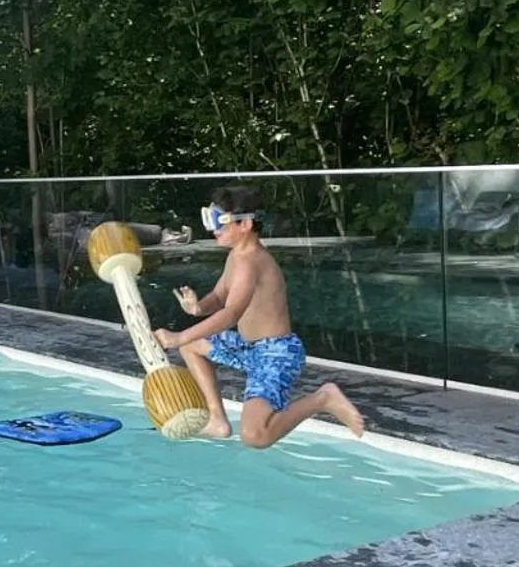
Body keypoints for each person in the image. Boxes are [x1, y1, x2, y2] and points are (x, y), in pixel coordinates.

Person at [155, 185, 365, 446]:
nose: (213, 229)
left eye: (219, 220)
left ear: (245, 224)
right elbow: (220, 297)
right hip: (247, 347)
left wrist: (178, 336)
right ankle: (217, 420)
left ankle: (323, 398)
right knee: (191, 345)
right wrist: (198, 308)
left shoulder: (251, 261)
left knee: (255, 436)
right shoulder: (236, 255)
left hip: (275, 354)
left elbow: (231, 314)